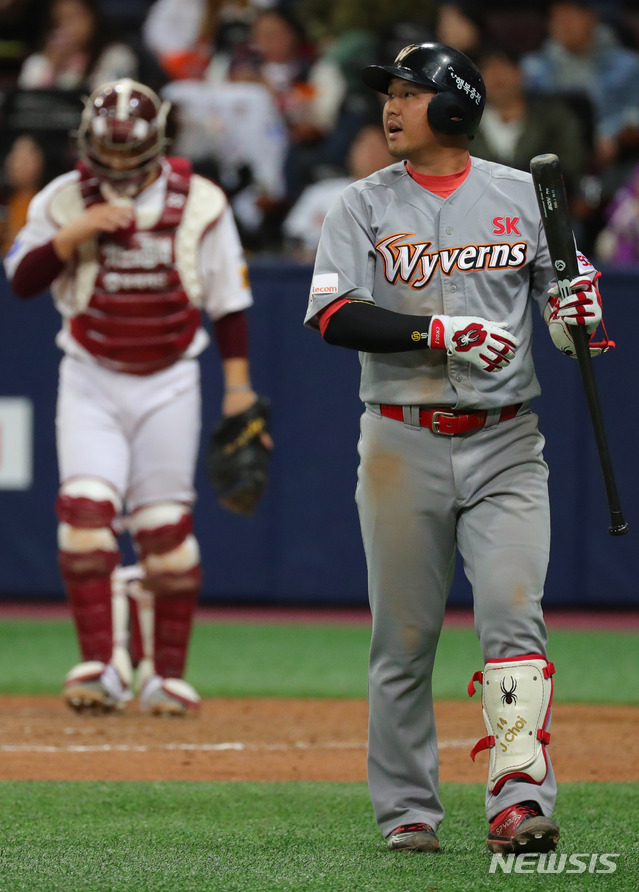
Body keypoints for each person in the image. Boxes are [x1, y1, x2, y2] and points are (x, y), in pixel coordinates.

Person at [303, 41, 611, 853]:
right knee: (402, 642)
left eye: (407, 93)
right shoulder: (360, 203)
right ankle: (407, 809)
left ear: (453, 107)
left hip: (507, 440)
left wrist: (575, 317)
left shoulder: (525, 195)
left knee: (515, 617)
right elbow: (334, 317)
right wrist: (434, 329)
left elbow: (565, 320)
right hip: (401, 441)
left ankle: (517, 797)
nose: (390, 107)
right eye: (389, 94)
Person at [3, 77, 268, 716]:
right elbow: (20, 280)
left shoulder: (200, 201)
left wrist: (238, 387)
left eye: (130, 151)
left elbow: (229, 305)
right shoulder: (63, 199)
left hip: (171, 376)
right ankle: (99, 663)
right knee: (85, 519)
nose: (119, 165)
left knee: (167, 535)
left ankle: (164, 675)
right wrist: (74, 234)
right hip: (91, 373)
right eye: (108, 150)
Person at [471, 42, 588, 200]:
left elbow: (572, 160)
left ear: (520, 73)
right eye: (489, 68)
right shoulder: (467, 121)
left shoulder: (552, 115)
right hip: (481, 205)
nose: (497, 75)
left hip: (544, 203)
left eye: (504, 67)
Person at [17, 0, 139, 92]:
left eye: (74, 18)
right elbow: (25, 102)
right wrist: (52, 68)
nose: (67, 27)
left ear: (93, 17)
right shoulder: (40, 61)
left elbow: (111, 97)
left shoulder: (116, 56)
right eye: (59, 21)